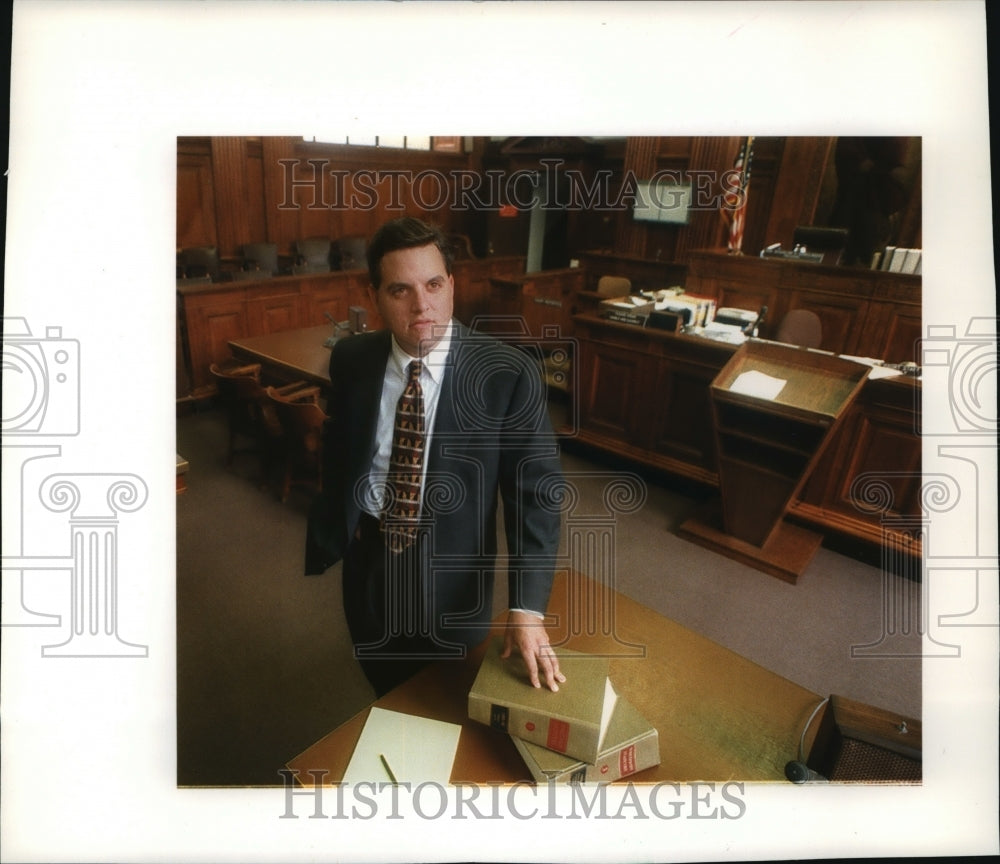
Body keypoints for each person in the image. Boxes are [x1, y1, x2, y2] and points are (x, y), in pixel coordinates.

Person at [305, 216, 565, 697]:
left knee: (447, 703)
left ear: (452, 285)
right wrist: (336, 522)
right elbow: (341, 449)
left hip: (454, 574)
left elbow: (538, 498)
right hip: (370, 562)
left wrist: (527, 608)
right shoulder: (352, 359)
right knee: (381, 682)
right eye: (400, 290)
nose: (421, 305)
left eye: (433, 284)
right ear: (374, 296)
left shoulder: (508, 374)